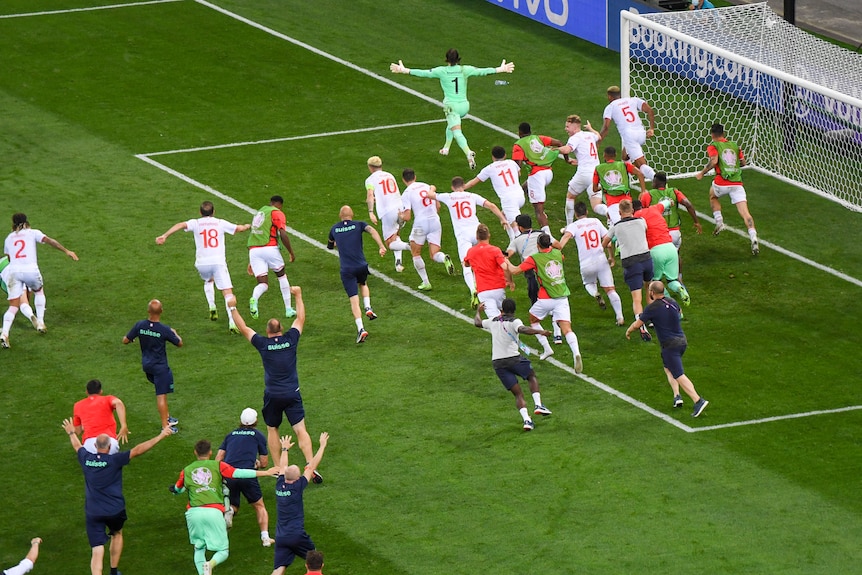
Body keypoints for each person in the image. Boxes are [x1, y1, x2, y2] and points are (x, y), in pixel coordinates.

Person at [227, 288, 323, 484]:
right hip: (292, 393)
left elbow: (244, 328)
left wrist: (233, 307)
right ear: (281, 329)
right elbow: (301, 319)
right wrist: (298, 296)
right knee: (300, 429)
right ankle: (310, 465)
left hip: (273, 395)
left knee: (272, 429)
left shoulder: (263, 344)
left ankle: (280, 467)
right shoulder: (290, 339)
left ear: (268, 331)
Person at [62, 418, 174, 575]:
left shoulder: (86, 459)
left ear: (95, 447)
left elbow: (77, 446)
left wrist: (71, 432)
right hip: (115, 509)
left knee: (97, 549)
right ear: (109, 447)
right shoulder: (115, 460)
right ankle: (114, 571)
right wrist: (161, 436)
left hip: (93, 512)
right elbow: (138, 450)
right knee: (117, 533)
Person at [389, 49, 515, 168]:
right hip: (465, 106)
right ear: (458, 59)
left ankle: (468, 152)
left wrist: (405, 70)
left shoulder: (441, 71)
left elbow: (424, 73)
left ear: (446, 59)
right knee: (451, 123)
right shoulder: (465, 69)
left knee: (457, 132)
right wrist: (500, 69)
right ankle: (446, 147)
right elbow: (482, 71)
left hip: (452, 107)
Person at [171, 439, 278, 575]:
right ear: (210, 452)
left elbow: (178, 488)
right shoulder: (218, 465)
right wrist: (266, 472)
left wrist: (174, 490)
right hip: (213, 512)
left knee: (199, 548)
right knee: (222, 551)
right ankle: (210, 564)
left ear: (195, 452)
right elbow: (239, 473)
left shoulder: (186, 470)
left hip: (193, 513)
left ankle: (203, 572)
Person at [155, 201, 250, 333]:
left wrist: (164, 235)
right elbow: (238, 229)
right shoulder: (220, 223)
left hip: (202, 263)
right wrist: (247, 226)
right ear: (214, 212)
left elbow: (181, 224)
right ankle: (232, 322)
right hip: (218, 262)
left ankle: (212, 305)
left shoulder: (196, 223)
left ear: (200, 212)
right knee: (228, 293)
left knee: (208, 280)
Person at [625, 281, 709, 417]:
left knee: (679, 374)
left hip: (670, 345)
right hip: (682, 341)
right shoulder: (672, 302)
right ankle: (677, 396)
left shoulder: (652, 308)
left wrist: (628, 331)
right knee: (668, 368)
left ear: (652, 293)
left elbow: (638, 324)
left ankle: (698, 400)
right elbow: (679, 313)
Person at [425, 177, 508, 307]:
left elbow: (429, 195)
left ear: (452, 187)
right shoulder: (472, 195)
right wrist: (502, 219)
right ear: (463, 185)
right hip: (476, 230)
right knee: (486, 256)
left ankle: (473, 290)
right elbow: (491, 205)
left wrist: (432, 187)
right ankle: (492, 280)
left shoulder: (448, 196)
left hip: (463, 235)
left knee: (466, 264)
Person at [505, 234, 584, 371]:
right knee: (567, 329)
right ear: (550, 244)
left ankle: (547, 348)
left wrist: (505, 260)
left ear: (537, 245)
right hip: (562, 296)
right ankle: (576, 353)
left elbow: (514, 270)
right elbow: (562, 258)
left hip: (546, 298)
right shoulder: (558, 253)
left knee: (533, 320)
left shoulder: (534, 258)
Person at [473, 299, 553, 431]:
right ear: (514, 310)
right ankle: (538, 405)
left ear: (501, 310)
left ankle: (527, 420)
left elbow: (477, 323)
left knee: (517, 394)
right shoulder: (515, 321)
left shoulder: (493, 320)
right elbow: (522, 329)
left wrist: (478, 311)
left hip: (498, 363)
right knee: (531, 376)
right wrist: (540, 332)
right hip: (513, 359)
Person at [1, 212, 78, 348]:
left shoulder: (8, 238)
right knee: (38, 291)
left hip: (14, 271)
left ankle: (5, 334)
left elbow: (9, 257)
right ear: (26, 222)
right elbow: (50, 241)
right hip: (30, 270)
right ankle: (40, 322)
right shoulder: (32, 233)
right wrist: (66, 251)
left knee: (13, 306)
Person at [695, 123, 760, 255]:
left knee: (713, 195)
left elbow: (714, 161)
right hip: (737, 183)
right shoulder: (735, 146)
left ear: (712, 135)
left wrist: (702, 173)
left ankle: (719, 221)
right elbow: (743, 163)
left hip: (722, 182)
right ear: (724, 133)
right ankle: (753, 237)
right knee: (745, 213)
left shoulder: (713, 146)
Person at [557, 202, 625, 326]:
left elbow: (566, 237)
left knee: (588, 283)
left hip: (586, 262)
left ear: (576, 214)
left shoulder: (574, 225)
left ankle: (595, 293)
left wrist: (559, 248)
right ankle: (620, 317)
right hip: (601, 259)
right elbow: (608, 242)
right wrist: (611, 257)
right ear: (586, 212)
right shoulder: (596, 221)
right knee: (610, 289)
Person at [270, 432, 329, 575]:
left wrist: (285, 449)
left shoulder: (279, 485)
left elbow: (282, 467)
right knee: (315, 561)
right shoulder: (297, 487)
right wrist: (322, 446)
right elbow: (312, 465)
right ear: (298, 479)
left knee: (279, 569)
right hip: (296, 535)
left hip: (281, 537)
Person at [326, 206, 387, 342]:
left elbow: (330, 246)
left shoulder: (334, 229)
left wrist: (339, 243)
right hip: (361, 266)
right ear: (352, 215)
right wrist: (381, 246)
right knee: (363, 283)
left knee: (354, 299)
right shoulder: (359, 224)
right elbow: (372, 231)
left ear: (340, 215)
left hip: (347, 269)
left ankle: (361, 329)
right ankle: (368, 307)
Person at [123, 299, 183, 431]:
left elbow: (125, 340)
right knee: (161, 394)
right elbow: (179, 343)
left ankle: (166, 416)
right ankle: (165, 426)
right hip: (160, 367)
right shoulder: (164, 329)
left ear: (148, 311)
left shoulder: (140, 325)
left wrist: (133, 338)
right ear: (161, 311)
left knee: (162, 391)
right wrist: (174, 332)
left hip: (147, 365)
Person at [215, 408, 272, 546]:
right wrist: (257, 464)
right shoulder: (258, 435)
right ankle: (265, 537)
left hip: (229, 475)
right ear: (256, 421)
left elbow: (218, 458)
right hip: (247, 474)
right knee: (259, 506)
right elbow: (264, 463)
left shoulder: (230, 435)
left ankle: (229, 513)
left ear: (240, 421)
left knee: (234, 504)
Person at [602, 199, 654, 341]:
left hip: (632, 263)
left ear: (619, 213)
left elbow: (605, 243)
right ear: (632, 210)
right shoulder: (641, 221)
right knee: (649, 289)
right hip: (646, 259)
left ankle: (641, 324)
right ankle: (652, 319)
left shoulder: (616, 227)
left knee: (637, 298)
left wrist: (611, 256)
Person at [506, 214, 562, 345]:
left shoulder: (517, 239)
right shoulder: (542, 234)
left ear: (519, 227)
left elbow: (508, 254)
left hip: (530, 271)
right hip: (547, 269)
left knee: (536, 305)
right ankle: (557, 334)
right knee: (553, 298)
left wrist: (500, 255)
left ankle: (543, 337)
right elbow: (558, 245)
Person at [399, 168, 455, 290]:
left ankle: (426, 282)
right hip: (435, 221)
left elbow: (407, 217)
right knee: (434, 253)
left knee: (415, 252)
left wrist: (400, 216)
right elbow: (438, 205)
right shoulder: (425, 186)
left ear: (403, 180)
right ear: (415, 176)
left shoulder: (407, 193)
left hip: (420, 225)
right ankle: (444, 257)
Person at [247, 195, 297, 320]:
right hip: (270, 248)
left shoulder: (260, 212)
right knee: (281, 276)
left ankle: (254, 298)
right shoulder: (276, 213)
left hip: (254, 251)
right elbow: (283, 234)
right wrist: (291, 252)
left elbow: (257, 235)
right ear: (279, 204)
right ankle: (288, 309)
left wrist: (250, 261)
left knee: (263, 284)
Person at [463, 146, 526, 241]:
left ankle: (523, 249)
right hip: (520, 196)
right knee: (503, 215)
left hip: (508, 199)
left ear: (492, 157)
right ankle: (513, 241)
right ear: (505, 155)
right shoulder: (511, 162)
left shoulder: (490, 168)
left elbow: (473, 183)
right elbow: (519, 173)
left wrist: (461, 188)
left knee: (516, 228)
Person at [512, 122, 562, 235]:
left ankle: (548, 236)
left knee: (538, 211)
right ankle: (514, 203)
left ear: (519, 132)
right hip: (548, 173)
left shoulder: (518, 145)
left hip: (537, 176)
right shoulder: (538, 138)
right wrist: (567, 159)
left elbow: (517, 165)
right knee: (523, 188)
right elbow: (559, 143)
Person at [599, 85, 657, 181]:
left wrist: (598, 140)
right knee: (625, 156)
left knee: (642, 165)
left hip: (630, 136)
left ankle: (658, 181)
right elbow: (650, 110)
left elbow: (606, 127)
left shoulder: (610, 107)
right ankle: (628, 175)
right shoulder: (633, 100)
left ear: (609, 96)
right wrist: (652, 129)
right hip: (642, 133)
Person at [364, 156, 411, 273]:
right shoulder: (390, 175)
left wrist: (371, 212)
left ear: (370, 167)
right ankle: (398, 262)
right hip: (400, 208)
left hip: (387, 211)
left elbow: (370, 195)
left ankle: (409, 246)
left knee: (389, 244)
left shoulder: (370, 180)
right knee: (396, 234)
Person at [554, 115, 603, 225]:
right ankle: (613, 216)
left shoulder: (575, 138)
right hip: (596, 173)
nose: (565, 129)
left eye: (567, 126)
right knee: (596, 206)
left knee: (570, 196)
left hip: (584, 173)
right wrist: (590, 128)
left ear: (575, 127)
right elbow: (598, 136)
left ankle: (569, 226)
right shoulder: (589, 135)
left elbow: (566, 149)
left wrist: (553, 150)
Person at [639, 172, 702, 251]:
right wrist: (696, 222)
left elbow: (641, 214)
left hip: (658, 234)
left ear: (655, 182)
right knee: (675, 257)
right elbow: (688, 204)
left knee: (658, 259)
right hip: (675, 233)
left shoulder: (648, 195)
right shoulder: (674, 192)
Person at [463, 224, 514, 319]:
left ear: (477, 237)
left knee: (494, 319)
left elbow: (466, 264)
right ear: (489, 235)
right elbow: (505, 267)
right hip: (498, 288)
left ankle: (500, 331)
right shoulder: (495, 250)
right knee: (503, 313)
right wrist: (510, 281)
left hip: (483, 290)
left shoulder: (471, 251)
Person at [592, 146, 647, 225]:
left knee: (618, 226)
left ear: (604, 155)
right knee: (630, 225)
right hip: (627, 201)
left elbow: (594, 189)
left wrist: (603, 187)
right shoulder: (624, 165)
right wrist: (643, 191)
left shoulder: (598, 168)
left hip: (612, 202)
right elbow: (640, 173)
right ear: (615, 155)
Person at [72, 379, 129, 455]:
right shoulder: (107, 399)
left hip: (89, 444)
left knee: (93, 465)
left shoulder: (77, 405)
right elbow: (118, 403)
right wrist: (124, 425)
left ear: (86, 392)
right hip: (109, 442)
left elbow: (78, 431)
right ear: (101, 391)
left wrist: (87, 424)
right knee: (111, 465)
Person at [0, 255, 39, 336]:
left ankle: (5, 332)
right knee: (24, 301)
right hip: (22, 273)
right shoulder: (9, 258)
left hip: (9, 277)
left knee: (14, 305)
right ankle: (31, 314)